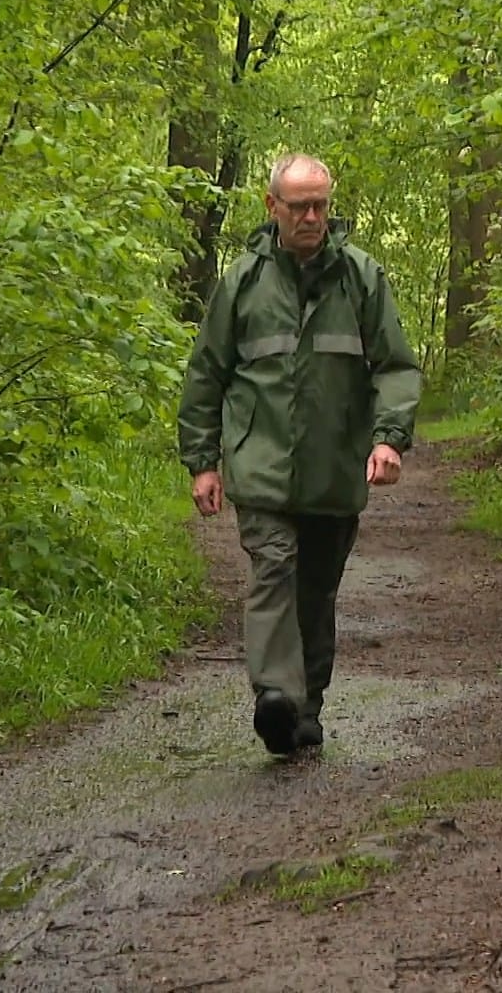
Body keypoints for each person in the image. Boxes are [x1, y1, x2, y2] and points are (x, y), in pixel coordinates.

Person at [176, 152, 422, 756]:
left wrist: (389, 437)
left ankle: (304, 709)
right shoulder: (243, 283)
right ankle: (274, 696)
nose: (312, 216)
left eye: (321, 204)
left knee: (316, 589)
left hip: (334, 469)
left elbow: (394, 365)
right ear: (272, 207)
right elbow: (206, 374)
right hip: (260, 464)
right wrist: (203, 460)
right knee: (274, 568)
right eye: (300, 206)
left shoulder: (362, 277)